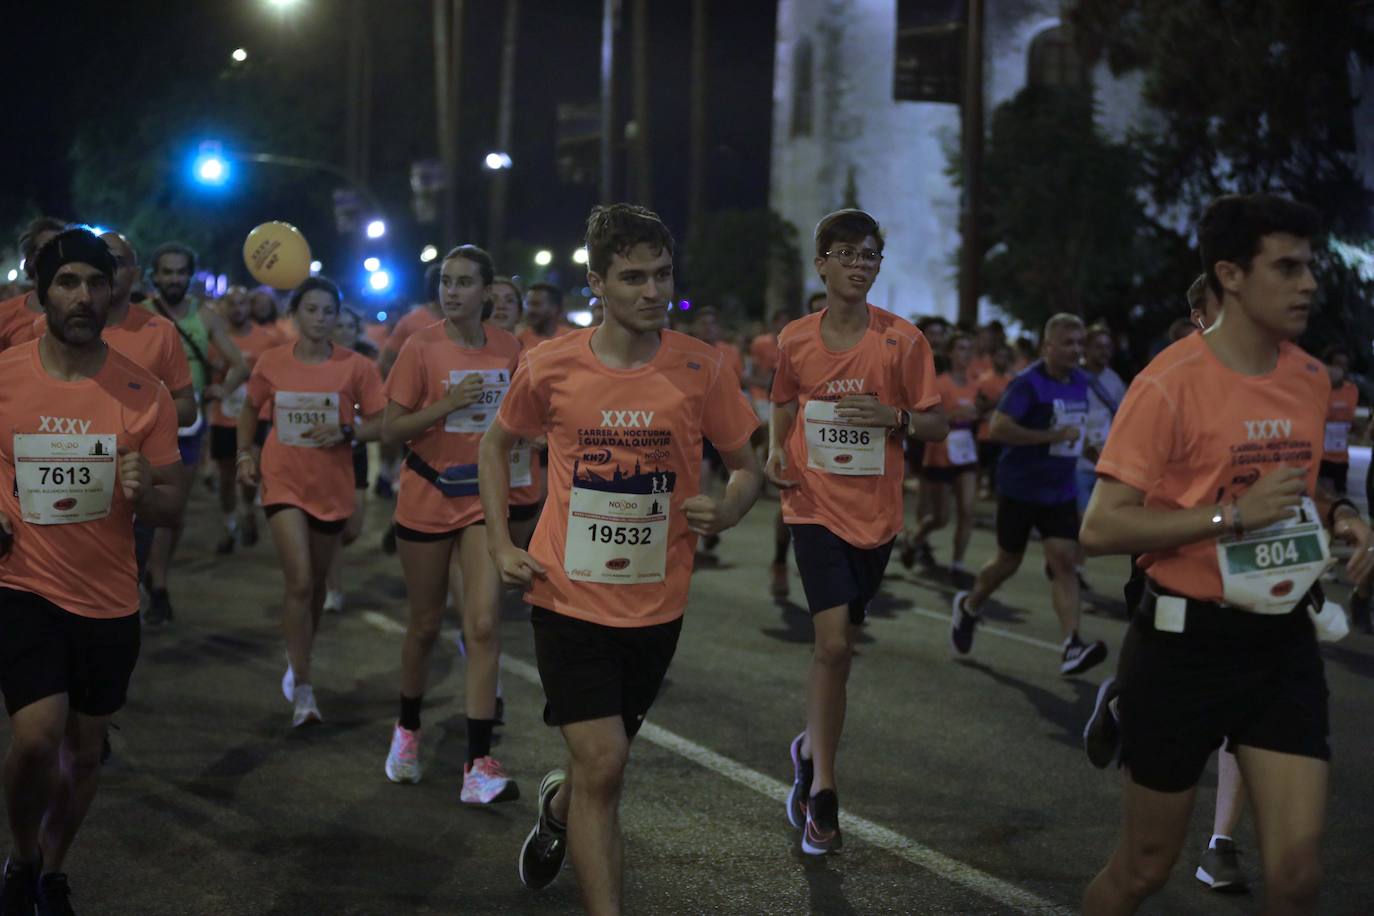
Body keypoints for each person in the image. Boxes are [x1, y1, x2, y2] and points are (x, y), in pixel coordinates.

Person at [1079, 193, 1374, 915]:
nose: (1308, 283)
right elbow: (1103, 526)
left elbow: (1302, 490)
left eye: (1310, 267)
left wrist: (1342, 515)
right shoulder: (1168, 384)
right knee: (1144, 869)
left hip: (1281, 644)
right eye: (1288, 267)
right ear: (1231, 275)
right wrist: (1229, 517)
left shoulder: (1309, 379)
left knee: (1299, 875)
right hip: (1184, 647)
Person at [480, 204, 761, 912]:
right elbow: (495, 445)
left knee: (595, 768)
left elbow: (747, 466)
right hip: (564, 595)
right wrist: (498, 542)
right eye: (632, 277)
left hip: (657, 603)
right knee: (607, 762)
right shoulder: (549, 364)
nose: (652, 290)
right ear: (596, 284)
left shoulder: (703, 366)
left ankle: (556, 811)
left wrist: (728, 508)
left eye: (662, 274)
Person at [0, 228, 182, 915]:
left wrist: (147, 490)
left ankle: (53, 867)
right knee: (35, 737)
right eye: (67, 282)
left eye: (94, 283)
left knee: (83, 750)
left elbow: (172, 510)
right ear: (43, 291)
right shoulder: (7, 374)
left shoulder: (143, 393)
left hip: (108, 598)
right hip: (23, 586)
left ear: (114, 291)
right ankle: (21, 852)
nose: (82, 296)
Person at [766, 209, 946, 856]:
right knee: (834, 647)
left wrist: (893, 416)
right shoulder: (794, 338)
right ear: (821, 264)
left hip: (876, 516)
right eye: (846, 253)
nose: (859, 264)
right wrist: (775, 449)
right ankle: (823, 791)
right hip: (812, 506)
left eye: (870, 255)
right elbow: (784, 400)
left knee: (841, 649)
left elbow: (936, 425)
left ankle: (809, 743)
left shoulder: (904, 341)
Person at [379, 245, 524, 804]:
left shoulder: (510, 348)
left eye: (465, 282)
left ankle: (477, 763)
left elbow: (521, 417)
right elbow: (392, 430)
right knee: (423, 624)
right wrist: (448, 404)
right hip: (426, 496)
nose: (453, 291)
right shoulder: (421, 346)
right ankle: (408, 728)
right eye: (446, 281)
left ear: (487, 291)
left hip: (482, 501)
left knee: (484, 625)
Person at [235, 277, 385, 728]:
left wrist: (347, 431)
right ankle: (303, 688)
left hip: (331, 483)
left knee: (316, 585)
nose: (321, 318)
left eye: (328, 311)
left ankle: (298, 652)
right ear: (295, 315)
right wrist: (247, 452)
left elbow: (382, 423)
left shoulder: (357, 367)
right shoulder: (272, 362)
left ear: (339, 316)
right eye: (312, 309)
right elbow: (248, 409)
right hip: (283, 480)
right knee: (299, 581)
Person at [950, 313, 1109, 676]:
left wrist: (1091, 452)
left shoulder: (1081, 382)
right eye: (1068, 343)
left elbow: (1074, 431)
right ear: (1047, 346)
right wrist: (1051, 438)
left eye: (1079, 343)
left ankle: (1071, 644)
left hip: (1060, 488)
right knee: (1008, 561)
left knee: (1063, 561)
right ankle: (970, 605)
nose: (1075, 350)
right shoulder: (1028, 384)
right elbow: (999, 427)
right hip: (1021, 487)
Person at [141, 242, 248, 626]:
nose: (173, 278)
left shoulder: (205, 316)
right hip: (140, 426)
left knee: (171, 509)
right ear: (154, 275)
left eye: (180, 271)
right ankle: (150, 579)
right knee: (136, 508)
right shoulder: (139, 315)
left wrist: (220, 390)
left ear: (191, 275)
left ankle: (159, 584)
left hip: (187, 427)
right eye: (166, 271)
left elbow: (239, 364)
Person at [207, 285, 283, 555]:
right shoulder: (214, 340)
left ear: (249, 308)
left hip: (257, 414)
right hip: (223, 416)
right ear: (224, 307)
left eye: (242, 303)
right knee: (227, 476)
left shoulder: (267, 338)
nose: (237, 309)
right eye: (232, 304)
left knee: (253, 467)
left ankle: (247, 507)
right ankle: (229, 524)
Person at [904, 332, 980, 583]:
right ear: (950, 353)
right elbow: (925, 417)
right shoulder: (940, 383)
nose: (965, 354)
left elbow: (976, 412)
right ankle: (916, 537)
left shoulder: (974, 383)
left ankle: (957, 565)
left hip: (965, 451)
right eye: (960, 349)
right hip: (940, 451)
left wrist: (979, 414)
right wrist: (955, 413)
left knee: (967, 510)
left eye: (969, 349)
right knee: (940, 517)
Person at [322, 307, 379, 614]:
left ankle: (320, 553)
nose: (343, 331)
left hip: (354, 452)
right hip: (325, 456)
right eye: (338, 324)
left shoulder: (366, 364)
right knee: (331, 528)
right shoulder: (320, 363)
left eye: (349, 326)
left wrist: (355, 428)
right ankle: (334, 588)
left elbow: (379, 416)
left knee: (352, 529)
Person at [0, 217, 66, 353]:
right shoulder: (4, 314)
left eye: (60, 249)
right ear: (30, 259)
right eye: (45, 249)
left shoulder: (83, 310)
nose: (54, 256)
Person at [974, 343, 1015, 498]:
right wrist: (1001, 400)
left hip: (1004, 434)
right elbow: (978, 405)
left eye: (1005, 357)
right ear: (992, 358)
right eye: (999, 356)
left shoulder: (1012, 381)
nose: (1002, 360)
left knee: (998, 468)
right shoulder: (984, 380)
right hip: (985, 432)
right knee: (982, 467)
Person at [1318, 346, 1359, 499]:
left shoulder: (1352, 390)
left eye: (1345, 365)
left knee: (1341, 499)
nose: (1341, 368)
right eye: (1337, 364)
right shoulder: (1318, 389)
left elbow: (1350, 420)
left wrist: (1354, 428)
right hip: (1321, 456)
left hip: (1342, 457)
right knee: (1323, 499)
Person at [518, 283, 573, 351]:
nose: (530, 310)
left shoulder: (571, 338)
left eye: (536, 304)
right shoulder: (520, 340)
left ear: (554, 308)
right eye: (528, 304)